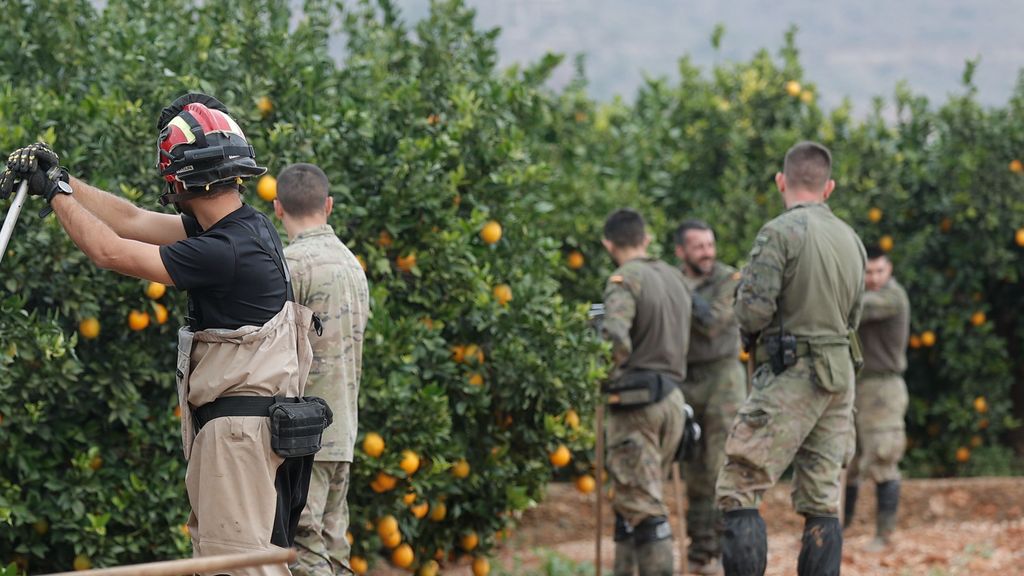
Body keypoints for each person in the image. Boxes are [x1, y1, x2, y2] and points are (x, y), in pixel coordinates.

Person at [0, 93, 321, 576]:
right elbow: (132, 221)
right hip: (252, 433)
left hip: (239, 438)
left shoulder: (222, 250)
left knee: (236, 568)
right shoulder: (248, 229)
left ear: (180, 179)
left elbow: (112, 251)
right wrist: (64, 180)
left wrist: (52, 195)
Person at [714, 141, 866, 576]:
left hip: (791, 372)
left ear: (781, 181)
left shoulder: (780, 232)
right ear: (829, 187)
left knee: (739, 486)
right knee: (822, 500)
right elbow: (855, 315)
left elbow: (753, 311)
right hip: (840, 379)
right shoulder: (852, 240)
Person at [273, 164, 369, 576]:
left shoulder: (289, 265)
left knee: (306, 548)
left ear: (278, 208)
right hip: (342, 428)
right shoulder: (353, 266)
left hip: (302, 434)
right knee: (334, 547)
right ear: (328, 205)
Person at [600, 208, 689, 576]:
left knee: (645, 507)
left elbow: (615, 337)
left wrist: (599, 372)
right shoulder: (673, 277)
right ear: (646, 238)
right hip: (672, 400)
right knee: (631, 503)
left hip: (637, 405)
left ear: (608, 244)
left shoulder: (624, 280)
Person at [673, 220, 746, 575]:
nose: (707, 252)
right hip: (685, 378)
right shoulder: (673, 279)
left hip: (723, 378)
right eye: (698, 246)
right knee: (693, 466)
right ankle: (700, 549)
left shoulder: (729, 280)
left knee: (720, 464)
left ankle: (721, 549)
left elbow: (713, 321)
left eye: (710, 244)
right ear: (681, 252)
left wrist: (680, 292)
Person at [844, 246, 910, 550]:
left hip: (883, 388)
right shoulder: (860, 292)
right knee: (848, 462)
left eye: (879, 271)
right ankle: (839, 532)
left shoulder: (892, 297)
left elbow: (861, 308)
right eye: (867, 272)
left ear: (890, 269)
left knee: (883, 457)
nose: (873, 278)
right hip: (855, 385)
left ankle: (885, 535)